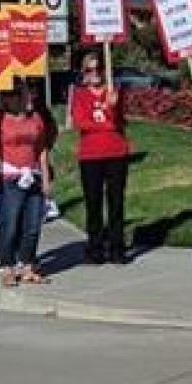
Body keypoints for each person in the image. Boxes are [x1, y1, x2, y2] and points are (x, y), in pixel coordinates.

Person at [70, 51, 130, 266]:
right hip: (90, 155)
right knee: (93, 203)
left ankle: (117, 248)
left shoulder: (116, 91)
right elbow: (81, 122)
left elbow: (119, 122)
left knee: (116, 203)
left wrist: (112, 107)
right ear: (83, 73)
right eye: (89, 70)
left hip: (116, 152)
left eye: (98, 69)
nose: (94, 74)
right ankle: (94, 247)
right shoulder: (79, 95)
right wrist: (106, 121)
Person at [0, 79, 52, 287]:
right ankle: (8, 267)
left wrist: (45, 178)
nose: (22, 97)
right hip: (10, 178)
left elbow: (42, 149)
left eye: (24, 92)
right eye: (16, 93)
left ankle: (28, 265)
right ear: (6, 99)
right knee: (10, 224)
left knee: (33, 225)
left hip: (32, 175)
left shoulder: (35, 119)